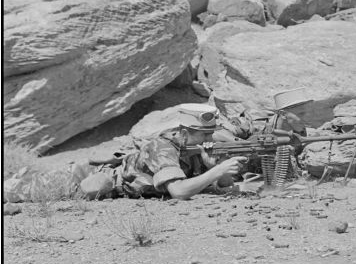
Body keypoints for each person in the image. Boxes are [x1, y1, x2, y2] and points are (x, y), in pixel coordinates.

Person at [4, 104, 248, 202]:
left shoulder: (195, 146)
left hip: (110, 189)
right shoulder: (163, 147)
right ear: (184, 131)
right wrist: (215, 171)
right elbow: (180, 191)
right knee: (19, 192)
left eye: (210, 133)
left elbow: (222, 185)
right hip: (83, 178)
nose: (209, 139)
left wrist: (218, 169)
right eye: (203, 134)